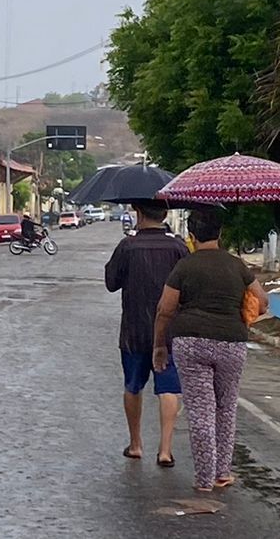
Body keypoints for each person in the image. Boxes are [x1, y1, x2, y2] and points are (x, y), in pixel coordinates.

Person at [154, 208, 268, 492]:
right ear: (220, 233)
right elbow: (263, 301)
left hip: (190, 344)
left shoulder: (185, 266)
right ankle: (222, 473)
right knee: (226, 409)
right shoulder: (237, 265)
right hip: (231, 342)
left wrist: (159, 345)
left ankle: (204, 479)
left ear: (191, 236)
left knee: (201, 412)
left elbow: (165, 310)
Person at [104, 199, 188, 467]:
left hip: (134, 332)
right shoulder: (178, 247)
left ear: (138, 213)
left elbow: (111, 282)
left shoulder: (128, 246)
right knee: (168, 389)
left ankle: (136, 444)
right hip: (169, 335)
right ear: (165, 214)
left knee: (132, 386)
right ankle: (165, 450)